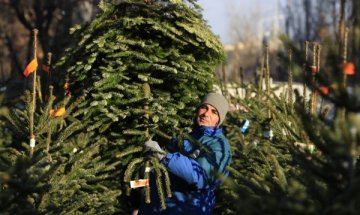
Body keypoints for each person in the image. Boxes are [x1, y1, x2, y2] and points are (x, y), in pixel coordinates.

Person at [138, 93, 232, 215]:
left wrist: (164, 156)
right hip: (156, 208)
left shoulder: (219, 145)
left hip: (184, 209)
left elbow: (201, 176)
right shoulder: (184, 135)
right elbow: (161, 175)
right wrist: (134, 184)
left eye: (214, 112)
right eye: (204, 107)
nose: (206, 114)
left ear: (219, 119)